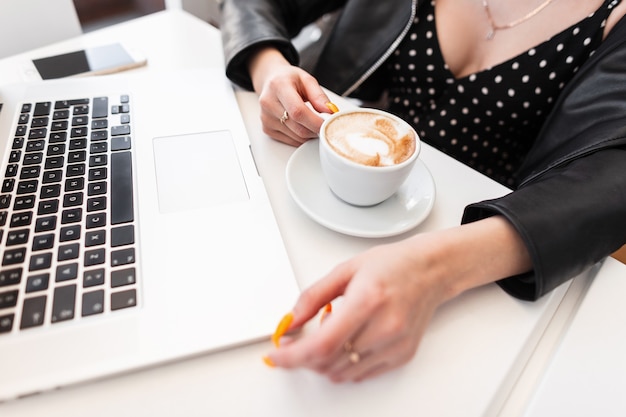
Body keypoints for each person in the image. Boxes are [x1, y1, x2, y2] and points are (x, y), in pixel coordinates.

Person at [220, 0, 626, 383]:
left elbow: (609, 181)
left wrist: (434, 269)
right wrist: (269, 68)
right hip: (334, 200)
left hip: (480, 256)